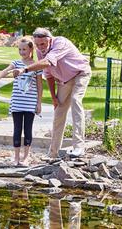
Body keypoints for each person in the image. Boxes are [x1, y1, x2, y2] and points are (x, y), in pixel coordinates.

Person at [13, 28, 91, 159]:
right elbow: (48, 74)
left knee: (75, 100)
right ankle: (53, 153)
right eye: (37, 44)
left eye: (43, 44)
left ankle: (79, 147)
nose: (40, 47)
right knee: (59, 113)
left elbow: (48, 61)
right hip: (63, 80)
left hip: (80, 73)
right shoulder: (39, 51)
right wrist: (54, 97)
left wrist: (24, 69)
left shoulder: (60, 43)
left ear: (50, 39)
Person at [0, 38, 42, 166]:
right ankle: (16, 158)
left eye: (24, 49)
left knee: (28, 129)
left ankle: (26, 158)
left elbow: (40, 85)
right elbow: (5, 70)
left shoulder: (36, 66)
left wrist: (39, 103)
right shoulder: (16, 63)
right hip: (17, 102)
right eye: (19, 49)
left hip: (30, 102)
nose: (22, 51)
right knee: (17, 129)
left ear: (31, 49)